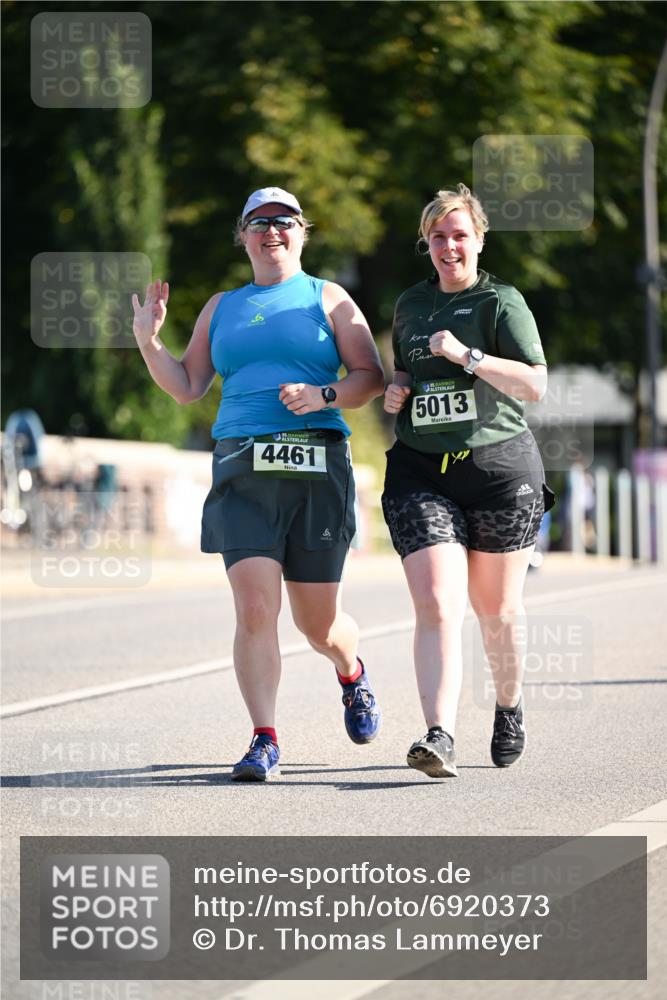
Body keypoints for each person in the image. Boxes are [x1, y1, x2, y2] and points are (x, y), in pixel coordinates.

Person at [132, 186, 385, 781]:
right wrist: (149, 342)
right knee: (254, 609)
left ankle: (351, 672)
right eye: (258, 223)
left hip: (317, 466)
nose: (272, 231)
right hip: (243, 466)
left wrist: (323, 395)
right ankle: (264, 738)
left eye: (285, 221)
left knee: (318, 625)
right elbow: (189, 385)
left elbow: (371, 376)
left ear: (303, 232)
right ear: (243, 236)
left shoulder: (329, 298)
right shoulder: (222, 307)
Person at [382, 183, 554, 779]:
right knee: (435, 601)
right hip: (420, 468)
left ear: (479, 240)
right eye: (438, 237)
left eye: (460, 236)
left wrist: (469, 357)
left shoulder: (501, 302)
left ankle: (508, 706)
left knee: (497, 610)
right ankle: (439, 734)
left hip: (499, 471)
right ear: (426, 244)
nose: (449, 247)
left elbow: (535, 385)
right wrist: (396, 390)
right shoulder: (409, 304)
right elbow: (403, 373)